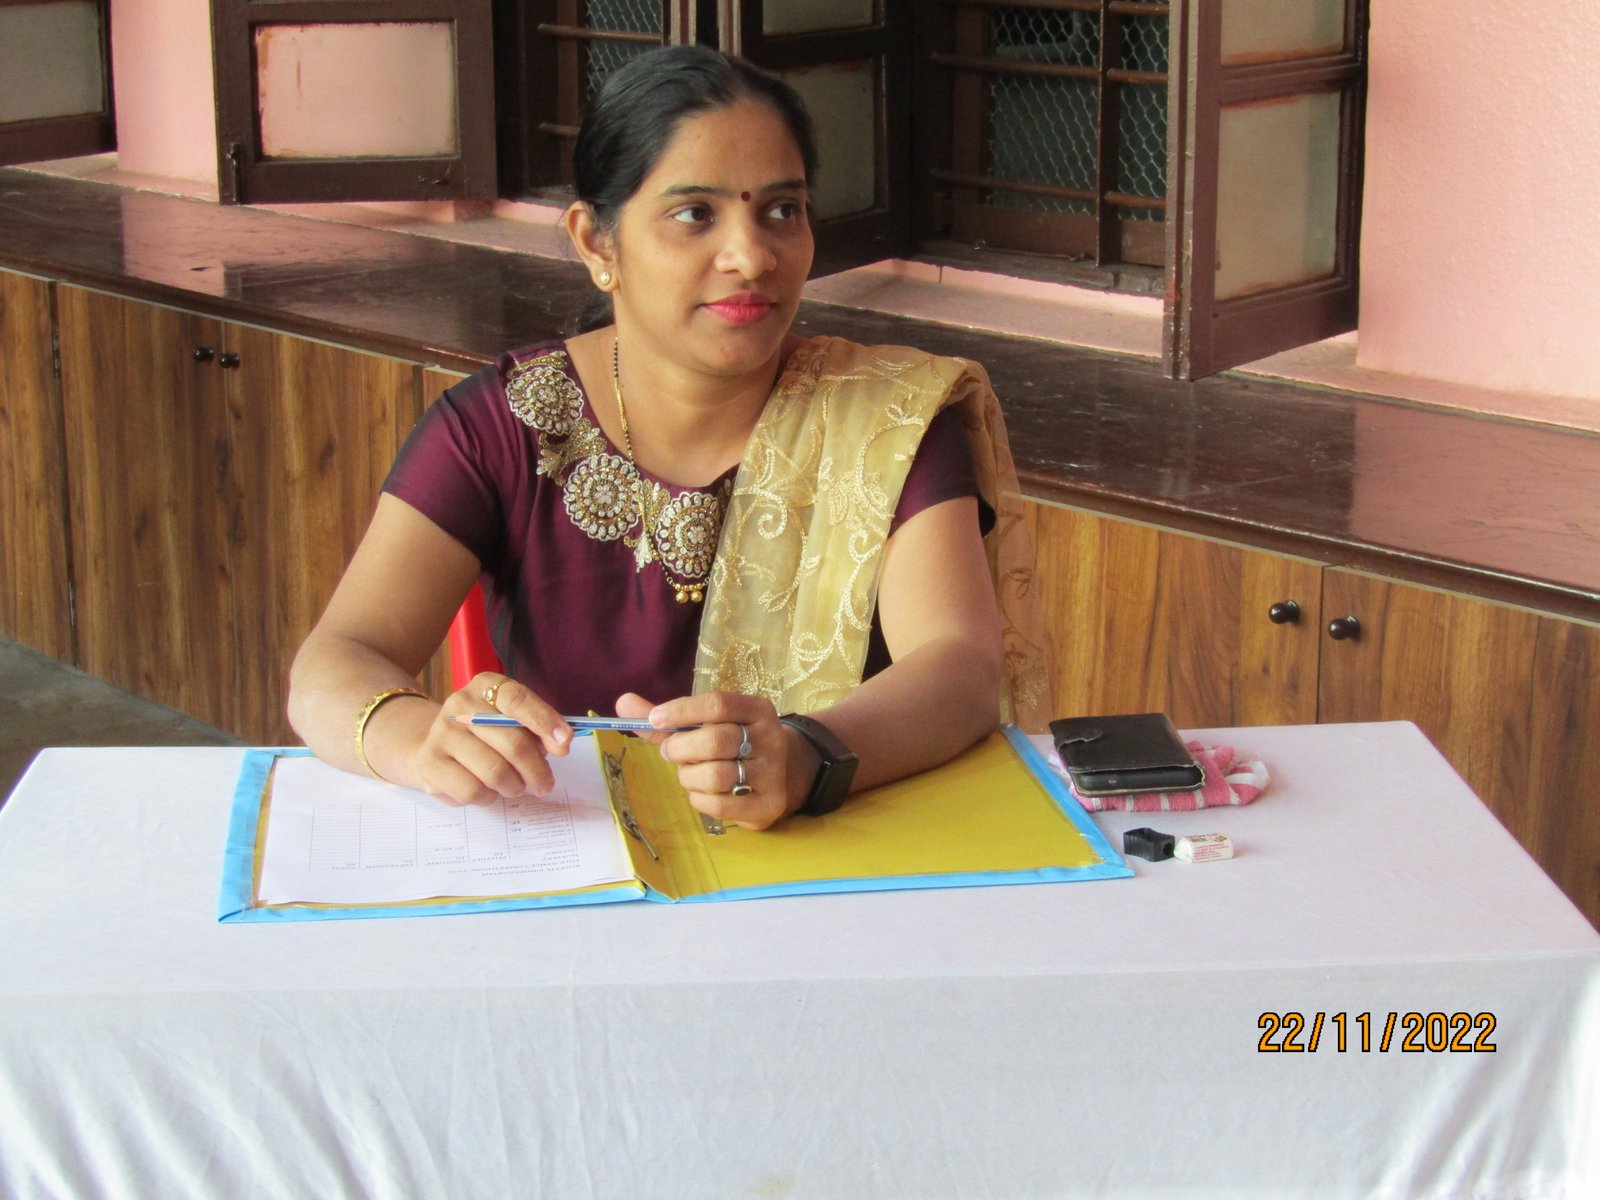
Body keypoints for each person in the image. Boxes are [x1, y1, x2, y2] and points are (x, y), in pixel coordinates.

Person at [287, 45, 1049, 830]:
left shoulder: (888, 421)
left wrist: (807, 754)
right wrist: (415, 739)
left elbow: (958, 665)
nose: (752, 256)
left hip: (836, 847)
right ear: (596, 243)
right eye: (694, 215)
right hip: (587, 853)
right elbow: (335, 660)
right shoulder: (509, 424)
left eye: (782, 210)